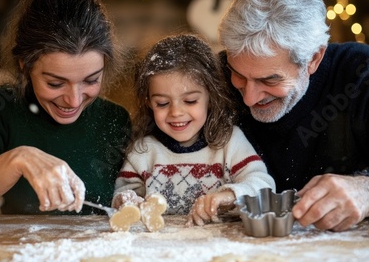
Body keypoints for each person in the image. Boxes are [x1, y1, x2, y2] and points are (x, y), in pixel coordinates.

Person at [218, 0, 369, 231]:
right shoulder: (213, 78)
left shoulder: (367, 73)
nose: (250, 97)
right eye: (239, 75)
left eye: (270, 80)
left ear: (314, 59)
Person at [0, 0, 131, 214]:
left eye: (90, 80)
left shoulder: (115, 120)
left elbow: (128, 193)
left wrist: (129, 200)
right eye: (55, 83)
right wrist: (18, 159)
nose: (74, 101)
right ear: (25, 66)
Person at [112, 34, 275, 226]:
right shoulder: (143, 151)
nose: (176, 112)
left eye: (190, 101)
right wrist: (127, 202)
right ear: (149, 103)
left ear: (211, 97)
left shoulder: (230, 142)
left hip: (219, 245)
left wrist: (230, 196)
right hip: (160, 250)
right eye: (162, 103)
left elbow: (265, 188)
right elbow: (123, 195)